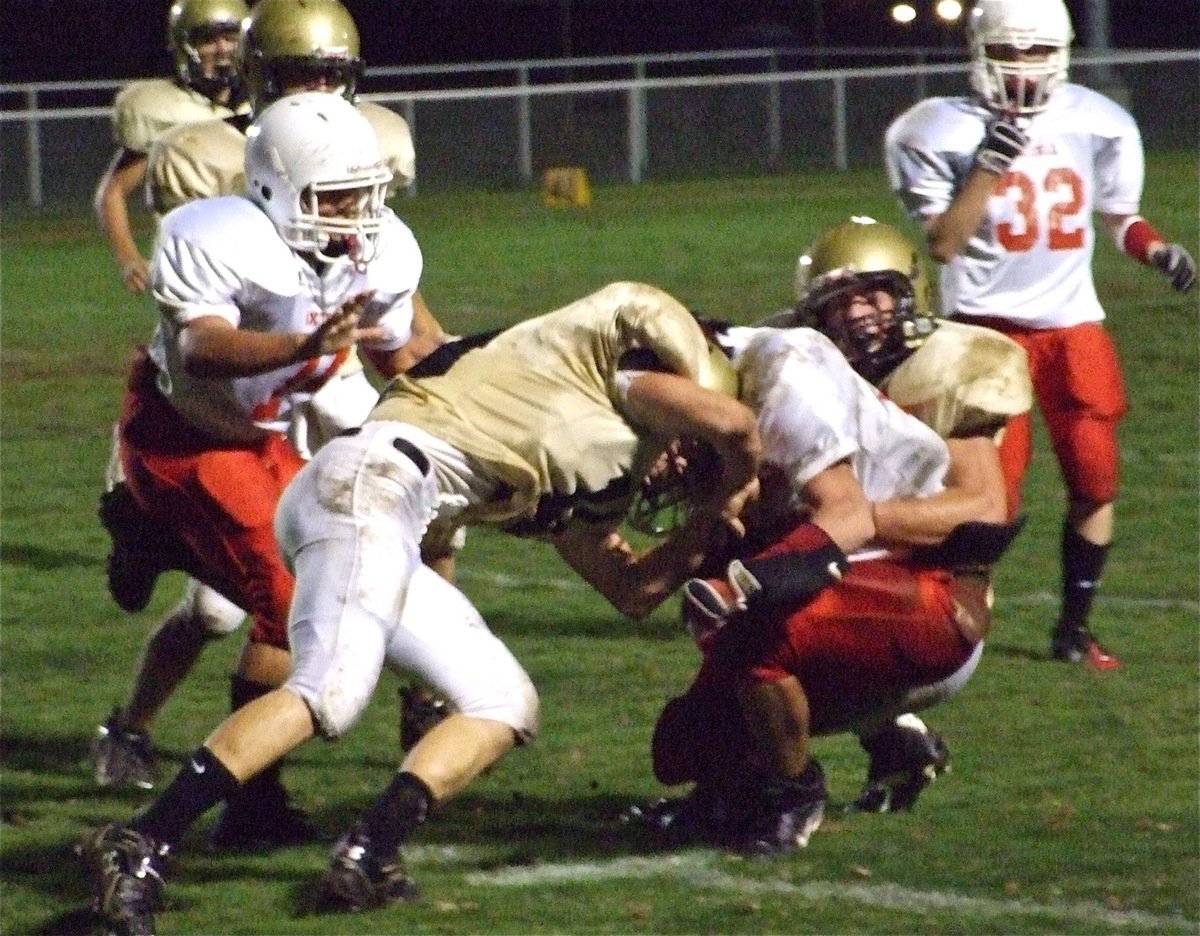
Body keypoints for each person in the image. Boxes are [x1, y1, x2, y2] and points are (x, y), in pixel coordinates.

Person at [78, 277, 763, 931]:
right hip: (370, 486)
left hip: (382, 512)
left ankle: (369, 851)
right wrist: (733, 487)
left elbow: (632, 590)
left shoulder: (595, 444)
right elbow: (734, 427)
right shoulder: (619, 381)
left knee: (503, 701)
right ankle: (140, 843)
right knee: (330, 691)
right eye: (687, 453)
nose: (681, 465)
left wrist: (703, 533)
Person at [89, 0, 448, 835]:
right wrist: (301, 342)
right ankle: (248, 803)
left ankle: (260, 788)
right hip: (189, 435)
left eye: (366, 196)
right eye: (339, 196)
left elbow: (406, 350)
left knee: (313, 579)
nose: (359, 214)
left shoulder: (376, 236)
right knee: (289, 608)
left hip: (264, 425)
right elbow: (204, 348)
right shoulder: (215, 224)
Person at [883, 0, 1197, 671]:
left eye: (1034, 51)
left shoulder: (1096, 120)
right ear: (978, 50)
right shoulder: (938, 128)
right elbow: (943, 244)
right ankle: (956, 632)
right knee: (990, 499)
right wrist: (989, 167)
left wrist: (1156, 250)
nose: (1021, 66)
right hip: (984, 334)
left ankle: (1075, 630)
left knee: (1096, 483)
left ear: (1059, 51)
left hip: (1071, 327)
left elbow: (1120, 215)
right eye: (1008, 51)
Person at [641, 315, 1018, 854]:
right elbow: (638, 592)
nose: (665, 461)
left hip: (929, 596)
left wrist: (747, 582)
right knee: (684, 748)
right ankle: (875, 745)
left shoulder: (782, 377)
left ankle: (794, 792)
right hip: (856, 586)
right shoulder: (716, 369)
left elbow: (849, 516)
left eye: (675, 440)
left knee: (754, 629)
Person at [94, 0, 248, 296]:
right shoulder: (163, 108)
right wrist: (128, 259)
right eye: (208, 40)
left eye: (231, 37)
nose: (223, 49)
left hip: (256, 251)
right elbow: (112, 192)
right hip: (193, 261)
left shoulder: (261, 99)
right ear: (183, 46)